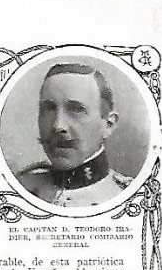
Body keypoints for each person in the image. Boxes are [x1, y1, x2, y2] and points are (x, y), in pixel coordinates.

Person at [16, 62, 131, 208]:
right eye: (49, 109)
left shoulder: (126, 197)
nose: (58, 126)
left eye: (76, 110)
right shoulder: (19, 188)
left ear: (108, 125)